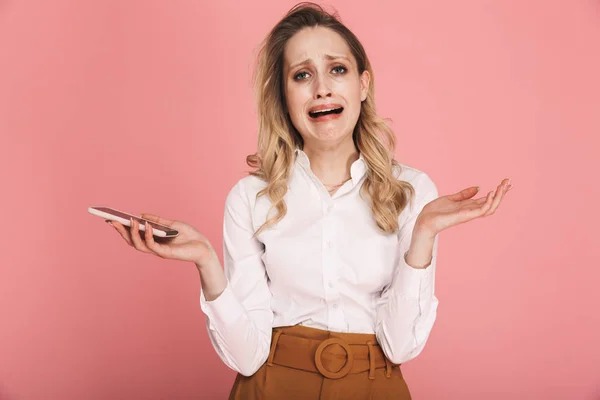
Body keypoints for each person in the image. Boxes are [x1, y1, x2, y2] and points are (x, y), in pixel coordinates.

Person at [108, 2, 512, 399]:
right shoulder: (249, 198)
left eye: (338, 69)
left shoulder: (412, 191)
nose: (322, 88)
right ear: (284, 96)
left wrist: (422, 235)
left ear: (363, 84)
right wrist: (206, 262)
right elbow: (247, 357)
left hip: (374, 387)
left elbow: (401, 346)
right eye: (302, 75)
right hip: (270, 386)